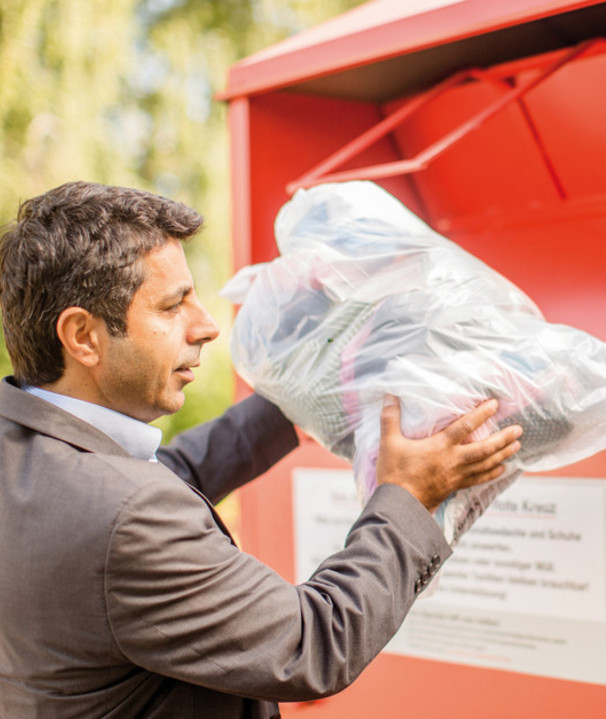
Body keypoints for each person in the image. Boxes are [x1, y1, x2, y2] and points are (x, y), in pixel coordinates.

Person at [0, 181, 522, 718]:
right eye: (172, 304)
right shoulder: (126, 518)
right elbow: (311, 645)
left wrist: (296, 397)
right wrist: (408, 496)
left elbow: (164, 475)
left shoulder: (29, 450)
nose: (205, 326)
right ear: (83, 336)